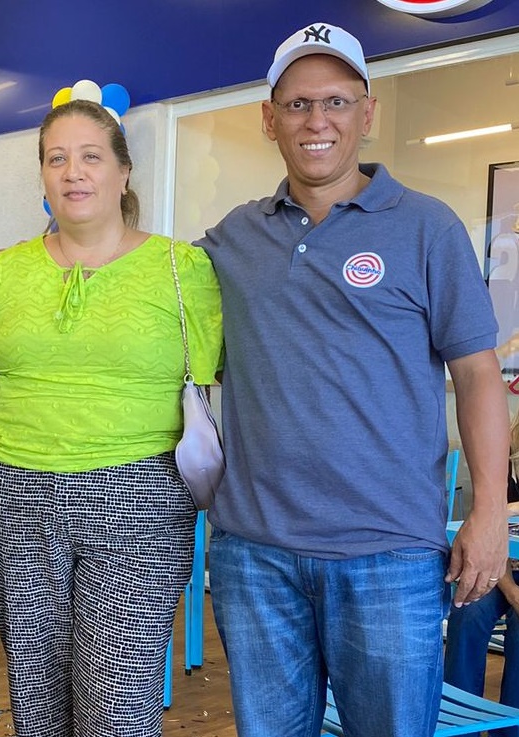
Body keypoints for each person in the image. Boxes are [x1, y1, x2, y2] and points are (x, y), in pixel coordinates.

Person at [197, 21, 511, 737]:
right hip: (254, 552)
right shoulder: (231, 239)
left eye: (337, 102)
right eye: (300, 104)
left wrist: (489, 508)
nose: (318, 121)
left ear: (367, 114)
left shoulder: (428, 228)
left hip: (389, 554)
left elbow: (477, 373)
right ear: (269, 118)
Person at [0, 98, 223, 737]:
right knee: (36, 699)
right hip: (13, 490)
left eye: (90, 156)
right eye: (56, 159)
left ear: (123, 171)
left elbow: (223, 383)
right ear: (42, 177)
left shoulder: (182, 269)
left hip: (139, 491)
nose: (72, 172)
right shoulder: (2, 272)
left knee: (117, 708)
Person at [444, 408, 519, 737]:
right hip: (503, 571)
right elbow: (489, 534)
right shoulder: (504, 461)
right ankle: (459, 726)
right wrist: (512, 591)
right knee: (467, 610)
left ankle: (510, 728)